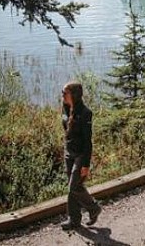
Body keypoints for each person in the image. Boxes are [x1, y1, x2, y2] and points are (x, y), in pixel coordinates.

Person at [60, 81, 102, 230]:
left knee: (73, 187)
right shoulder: (66, 108)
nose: (62, 95)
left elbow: (87, 141)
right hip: (69, 153)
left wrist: (86, 165)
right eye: (62, 92)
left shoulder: (85, 113)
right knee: (72, 187)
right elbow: (67, 131)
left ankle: (93, 208)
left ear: (74, 95)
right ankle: (74, 220)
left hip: (80, 154)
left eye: (65, 93)